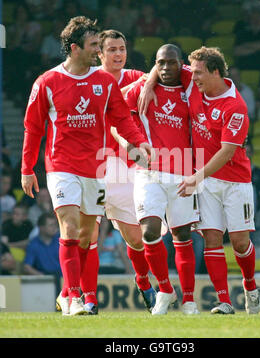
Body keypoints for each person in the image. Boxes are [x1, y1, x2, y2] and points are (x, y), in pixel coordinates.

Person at [21, 16, 152, 316]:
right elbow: (33, 127)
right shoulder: (48, 82)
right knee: (69, 228)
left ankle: (73, 293)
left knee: (86, 236)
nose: (98, 50)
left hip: (96, 169)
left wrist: (139, 141)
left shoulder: (104, 82)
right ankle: (75, 297)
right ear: (74, 47)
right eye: (94, 45)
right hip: (61, 166)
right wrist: (27, 168)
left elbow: (122, 118)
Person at [74, 29, 156, 315]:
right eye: (111, 49)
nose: (118, 54)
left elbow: (161, 70)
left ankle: (144, 281)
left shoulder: (135, 77)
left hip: (126, 170)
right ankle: (88, 299)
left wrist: (150, 81)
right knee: (87, 236)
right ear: (99, 53)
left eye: (122, 48)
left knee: (136, 238)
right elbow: (107, 119)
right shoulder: (91, 79)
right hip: (93, 165)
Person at [176, 47, 260, 314]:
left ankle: (250, 286)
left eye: (199, 72)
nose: (194, 77)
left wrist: (194, 177)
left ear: (215, 71)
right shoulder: (193, 81)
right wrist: (149, 83)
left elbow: (226, 153)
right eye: (194, 72)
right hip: (206, 183)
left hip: (235, 181)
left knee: (238, 242)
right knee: (211, 238)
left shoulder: (236, 106)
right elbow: (165, 65)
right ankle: (224, 301)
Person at [126, 44, 200, 315]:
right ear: (154, 64)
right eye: (160, 63)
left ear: (181, 64)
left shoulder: (191, 85)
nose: (166, 68)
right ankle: (166, 290)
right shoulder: (141, 88)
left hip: (183, 171)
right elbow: (120, 117)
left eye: (171, 62)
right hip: (150, 172)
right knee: (149, 232)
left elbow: (197, 68)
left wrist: (150, 78)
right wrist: (132, 146)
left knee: (182, 235)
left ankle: (189, 299)